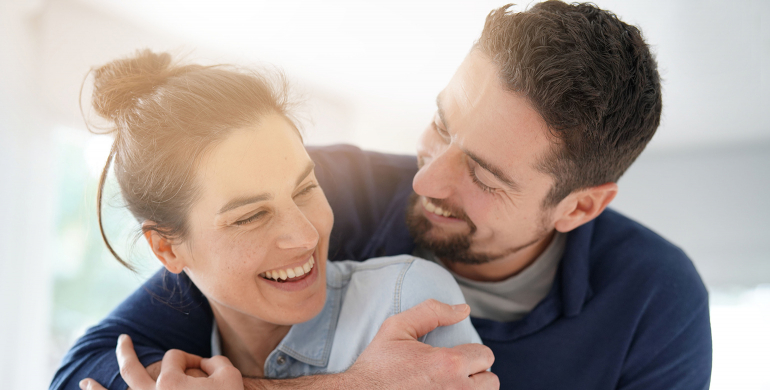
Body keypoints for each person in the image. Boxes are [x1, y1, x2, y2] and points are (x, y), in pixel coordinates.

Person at [55, 1, 713, 389]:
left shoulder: (655, 299)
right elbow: (88, 370)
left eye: (484, 175)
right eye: (441, 124)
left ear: (579, 207)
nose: (425, 181)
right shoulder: (324, 191)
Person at [50, 50, 491, 390]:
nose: (306, 233)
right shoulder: (171, 362)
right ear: (166, 248)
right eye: (252, 216)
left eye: (305, 189)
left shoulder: (408, 302)